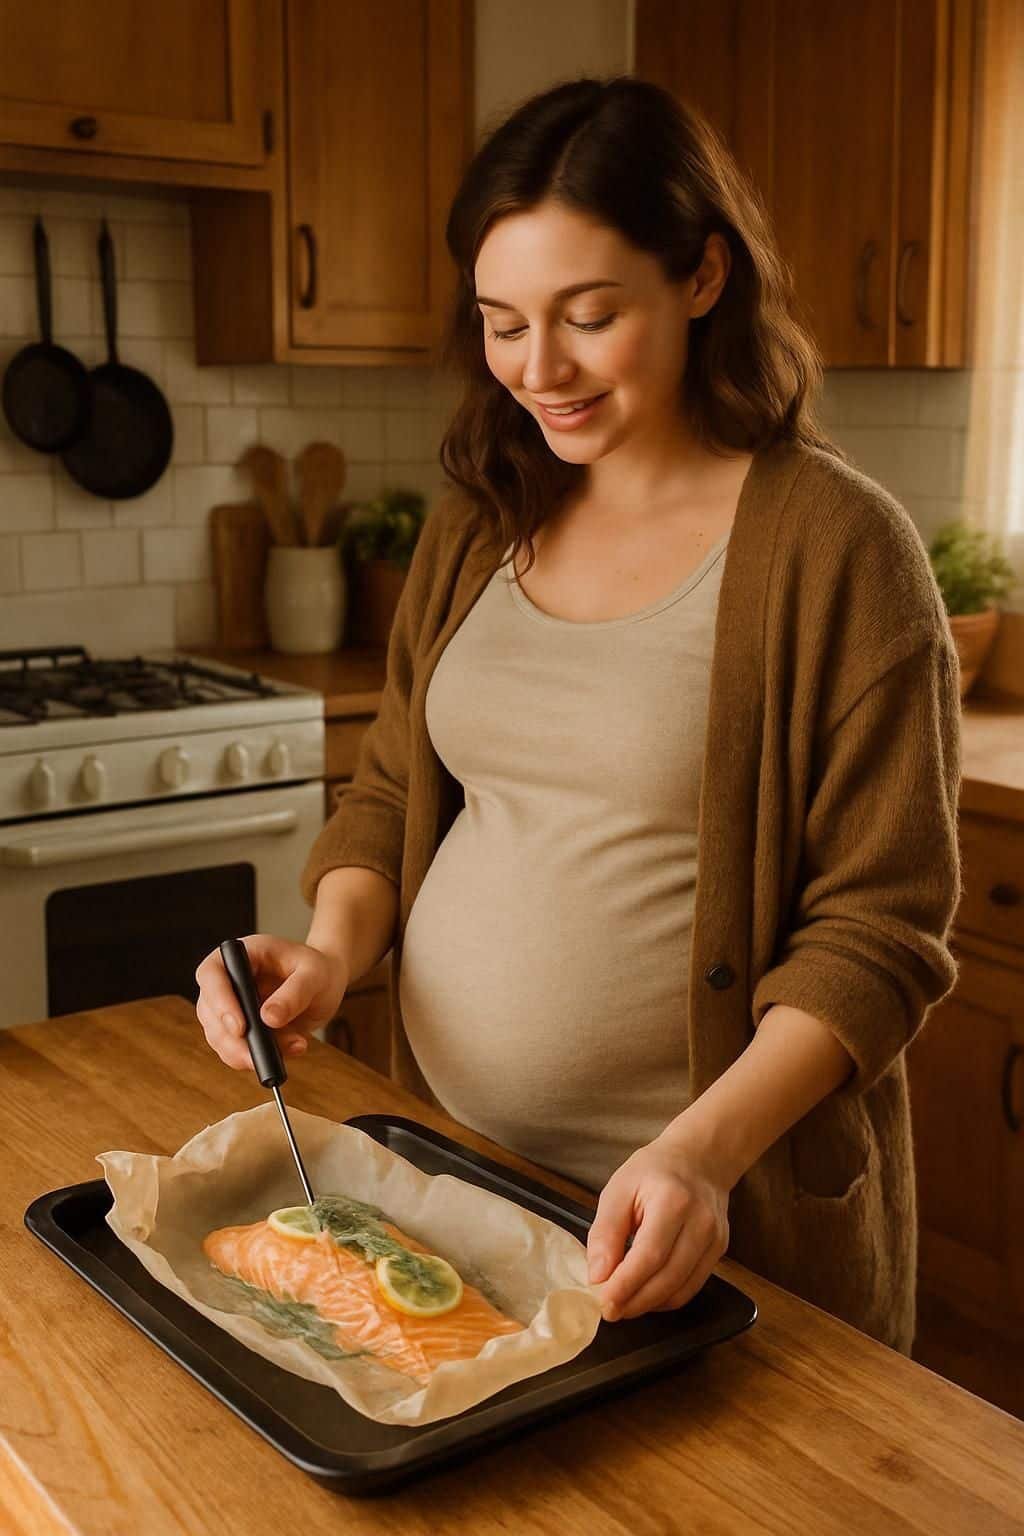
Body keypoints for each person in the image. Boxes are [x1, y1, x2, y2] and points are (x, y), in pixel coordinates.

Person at [194, 77, 961, 1355]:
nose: (537, 369)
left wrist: (699, 1154)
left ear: (702, 276)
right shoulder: (479, 519)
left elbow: (879, 930)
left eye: (588, 317)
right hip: (457, 1173)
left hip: (702, 1221)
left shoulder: (836, 548)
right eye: (502, 324)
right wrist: (329, 952)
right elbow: (392, 793)